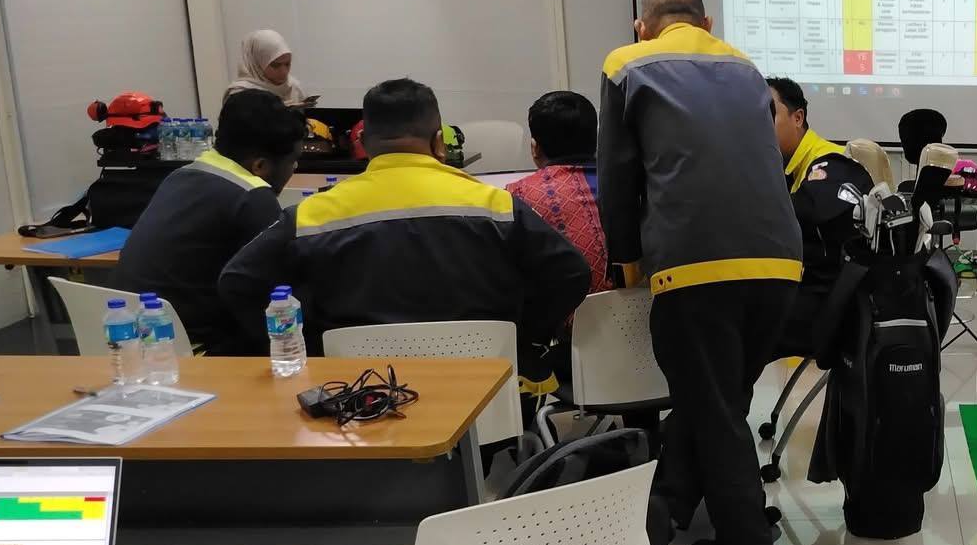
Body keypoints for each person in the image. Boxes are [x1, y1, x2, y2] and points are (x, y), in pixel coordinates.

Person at [598, 0, 801, 545]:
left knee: (713, 408)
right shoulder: (745, 68)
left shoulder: (626, 63)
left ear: (642, 27)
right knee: (718, 398)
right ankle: (666, 508)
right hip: (780, 262)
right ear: (707, 23)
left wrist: (626, 261)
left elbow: (617, 172)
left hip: (693, 261)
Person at [218, 78, 590, 398]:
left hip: (358, 406)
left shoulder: (311, 216)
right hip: (485, 402)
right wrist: (522, 336)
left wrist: (312, 349)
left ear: (363, 141)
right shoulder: (498, 206)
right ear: (439, 142)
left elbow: (237, 282)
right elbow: (572, 273)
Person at [117, 90, 304, 355]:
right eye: (293, 161)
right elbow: (279, 290)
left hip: (132, 339)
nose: (294, 169)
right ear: (260, 166)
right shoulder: (252, 196)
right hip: (189, 351)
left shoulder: (181, 175)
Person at [768, 76, 869, 352]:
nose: (758, 126)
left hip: (837, 307)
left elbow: (804, 213)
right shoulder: (786, 169)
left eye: (769, 114)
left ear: (798, 117)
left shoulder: (831, 162)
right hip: (811, 292)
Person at [506, 91, 613, 296]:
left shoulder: (516, 196)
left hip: (562, 313)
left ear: (535, 148)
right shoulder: (625, 184)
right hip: (638, 311)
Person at [225, 30, 312, 107]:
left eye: (287, 64)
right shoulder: (239, 94)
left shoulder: (294, 88)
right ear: (257, 64)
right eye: (275, 65)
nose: (284, 72)